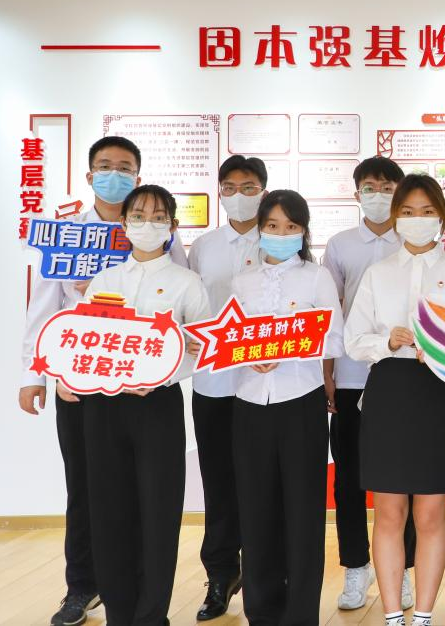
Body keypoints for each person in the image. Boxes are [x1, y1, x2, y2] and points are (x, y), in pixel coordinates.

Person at [17, 135, 188, 626]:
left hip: (141, 386)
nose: (116, 174)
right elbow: (45, 305)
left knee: (140, 494)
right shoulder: (68, 232)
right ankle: (82, 587)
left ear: (138, 175)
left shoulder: (158, 234)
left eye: (125, 167)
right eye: (106, 166)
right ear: (90, 175)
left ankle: (134, 592)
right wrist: (36, 374)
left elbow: (179, 311)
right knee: (85, 487)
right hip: (77, 383)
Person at [345, 173, 445, 626]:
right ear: (395, 216)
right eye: (407, 211)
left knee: (430, 511)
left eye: (426, 212)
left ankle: (422, 614)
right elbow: (353, 340)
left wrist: (443, 350)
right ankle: (391, 615)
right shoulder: (378, 272)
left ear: (442, 217)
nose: (417, 219)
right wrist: (386, 341)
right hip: (387, 391)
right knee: (388, 511)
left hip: (435, 392)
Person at [82, 184, 211, 626]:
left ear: (172, 226)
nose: (147, 225)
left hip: (157, 406)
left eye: (158, 218)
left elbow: (201, 349)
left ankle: (152, 614)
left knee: (158, 511)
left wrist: (161, 372)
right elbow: (83, 342)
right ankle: (119, 612)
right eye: (138, 216)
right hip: (104, 406)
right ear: (124, 224)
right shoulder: (104, 282)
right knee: (108, 510)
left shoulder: (187, 283)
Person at [231, 190, 345, 625]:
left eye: (291, 227)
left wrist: (289, 346)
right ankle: (261, 612)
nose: (281, 234)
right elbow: (229, 338)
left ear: (303, 231)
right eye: (273, 226)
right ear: (260, 229)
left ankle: (300, 615)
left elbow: (335, 339)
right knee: (256, 512)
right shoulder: (242, 281)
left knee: (303, 514)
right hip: (249, 403)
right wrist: (248, 355)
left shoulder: (316, 278)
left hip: (301, 403)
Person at [322, 156, 417, 612]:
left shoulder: (414, 241)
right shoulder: (341, 245)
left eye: (387, 186)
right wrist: (327, 372)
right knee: (350, 479)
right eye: (371, 187)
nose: (379, 194)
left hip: (403, 377)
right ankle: (355, 567)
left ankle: (406, 570)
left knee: (408, 476)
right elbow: (329, 313)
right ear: (357, 192)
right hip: (352, 375)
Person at [186, 154, 267, 620]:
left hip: (265, 385)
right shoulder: (203, 247)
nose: (239, 195)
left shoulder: (280, 240)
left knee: (261, 483)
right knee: (218, 483)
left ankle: (261, 576)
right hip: (214, 383)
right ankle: (220, 575)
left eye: (249, 186)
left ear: (263, 190)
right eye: (230, 187)